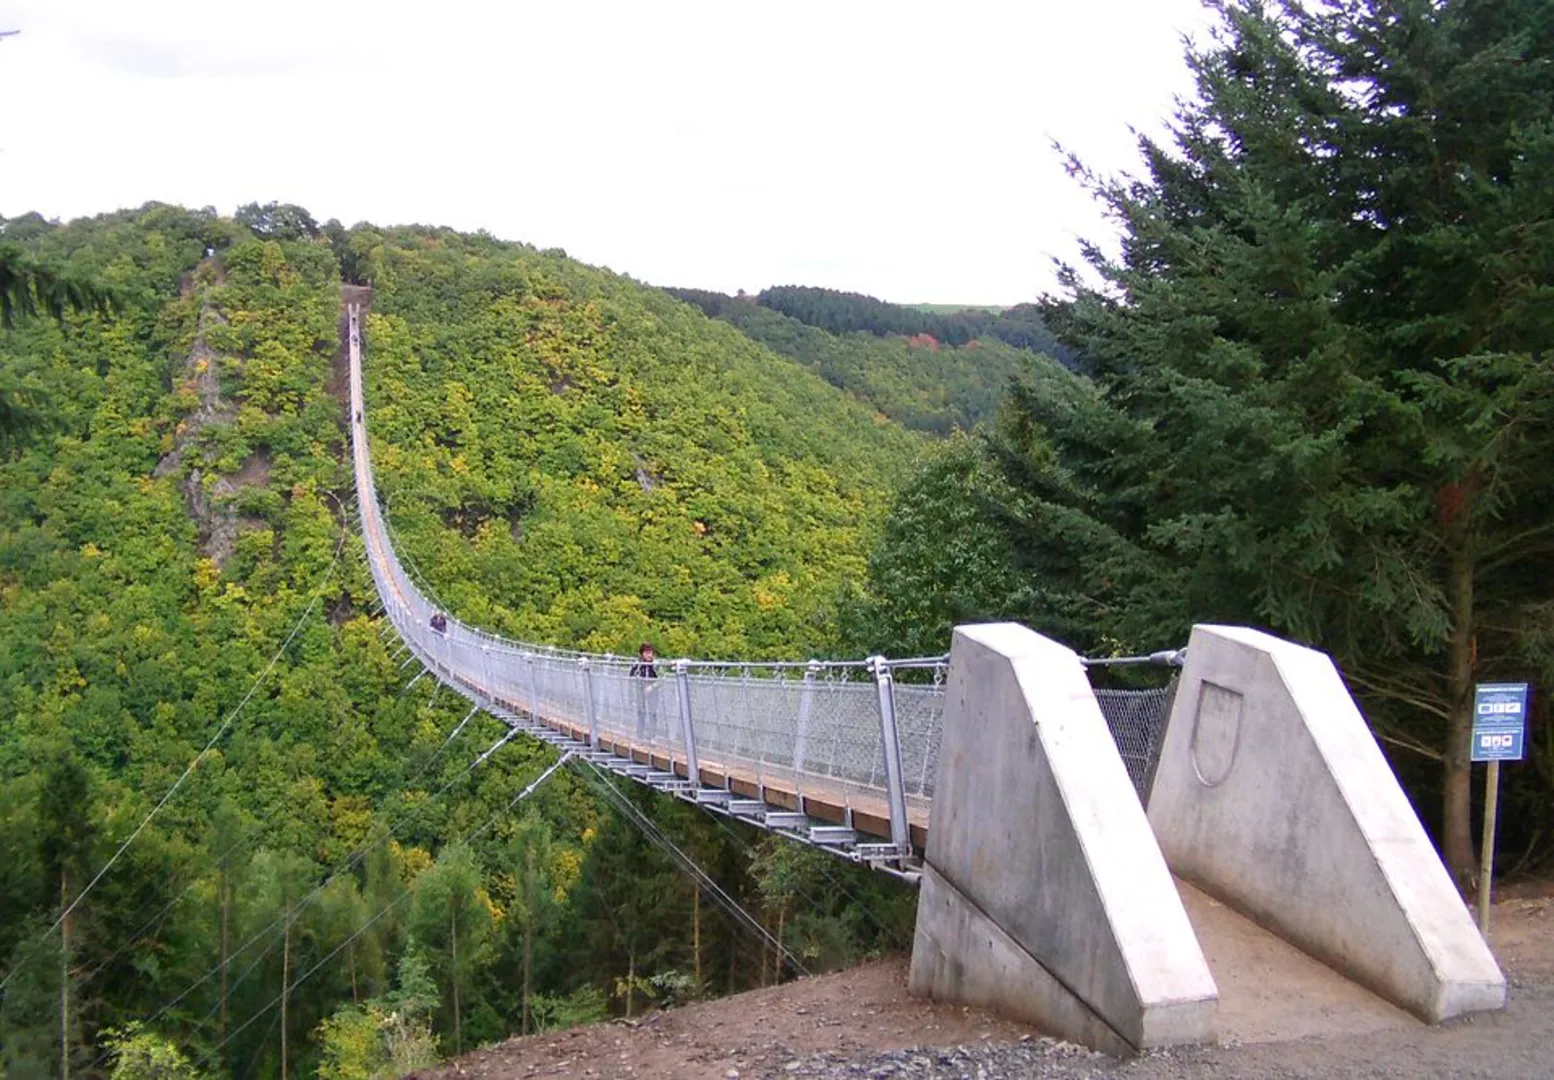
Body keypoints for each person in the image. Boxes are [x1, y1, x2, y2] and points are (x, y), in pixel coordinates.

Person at [629, 642, 659, 737]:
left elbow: (662, 679)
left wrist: (652, 686)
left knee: (653, 713)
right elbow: (630, 677)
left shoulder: (656, 665)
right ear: (642, 653)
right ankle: (640, 736)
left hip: (653, 692)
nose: (649, 655)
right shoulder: (638, 664)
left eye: (650, 652)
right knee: (641, 713)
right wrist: (631, 695)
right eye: (646, 653)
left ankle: (652, 737)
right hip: (640, 691)